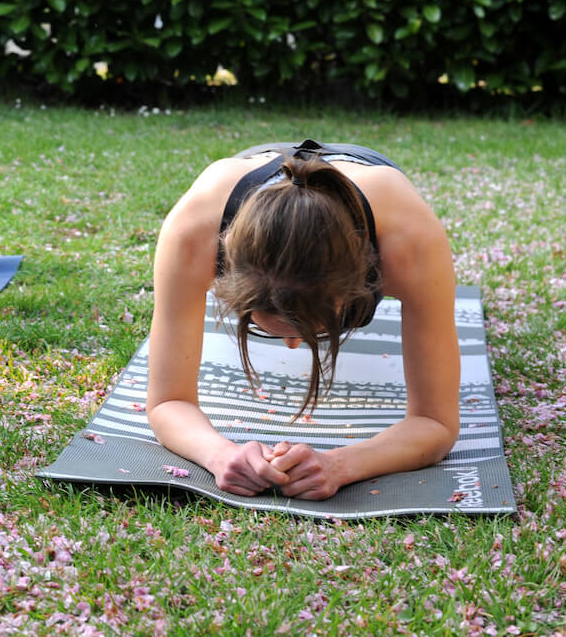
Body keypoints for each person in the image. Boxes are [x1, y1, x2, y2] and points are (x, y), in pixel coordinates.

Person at [147, 139, 460, 500]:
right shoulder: (196, 228)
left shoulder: (409, 238)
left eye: (317, 330)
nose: (293, 345)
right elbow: (166, 401)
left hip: (369, 174)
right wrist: (220, 455)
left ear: (363, 279)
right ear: (226, 269)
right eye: (263, 325)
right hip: (256, 165)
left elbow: (436, 422)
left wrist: (341, 464)